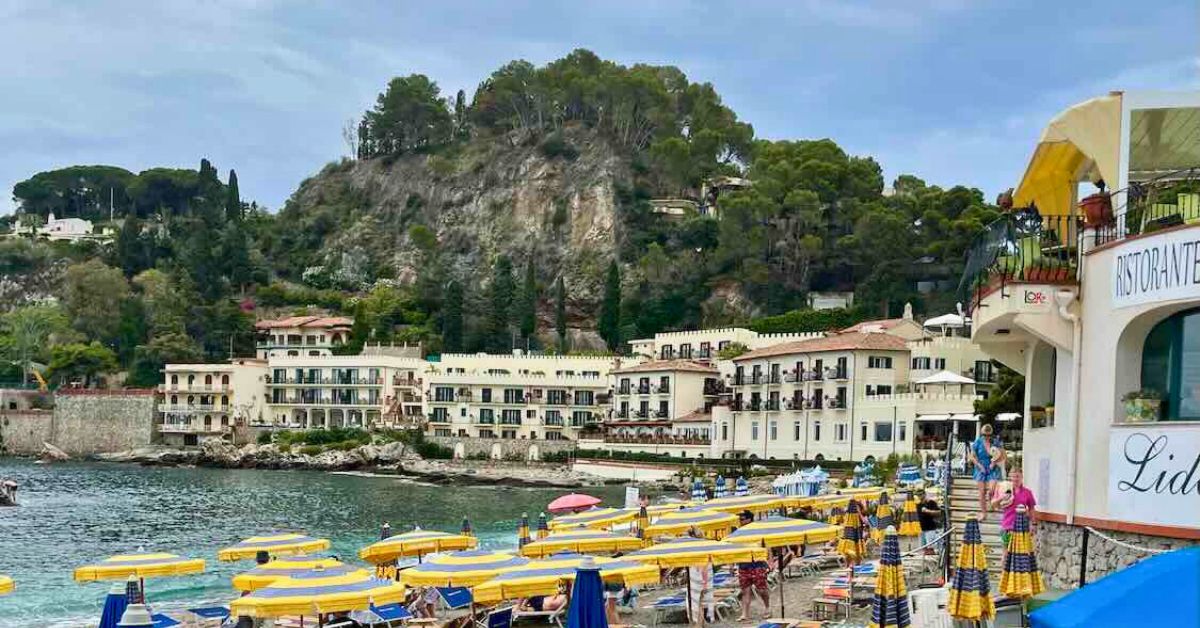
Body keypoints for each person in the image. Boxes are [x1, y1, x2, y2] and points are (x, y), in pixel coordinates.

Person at [735, 511, 770, 621]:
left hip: (758, 564)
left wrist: (769, 561)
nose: (740, 521)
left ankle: (767, 607)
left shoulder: (758, 531)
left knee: (761, 590)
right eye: (739, 519)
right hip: (743, 565)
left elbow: (767, 546)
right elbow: (734, 548)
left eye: (743, 519)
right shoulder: (738, 533)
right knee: (745, 590)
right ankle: (745, 613)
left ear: (749, 519)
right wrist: (732, 564)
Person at [992, 467, 1037, 548]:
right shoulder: (1004, 489)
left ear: (1022, 477)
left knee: (1022, 553)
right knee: (1006, 555)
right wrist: (1002, 497)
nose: (1016, 479)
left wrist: (1033, 524)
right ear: (1010, 477)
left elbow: (1031, 508)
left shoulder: (1027, 492)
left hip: (1022, 528)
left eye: (1018, 476)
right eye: (1013, 476)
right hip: (1007, 527)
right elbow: (994, 505)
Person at [967, 423, 1005, 517]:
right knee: (982, 491)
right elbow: (972, 456)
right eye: (984, 435)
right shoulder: (978, 442)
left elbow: (1002, 454)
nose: (986, 437)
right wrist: (979, 466)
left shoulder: (995, 442)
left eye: (988, 435)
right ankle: (983, 513)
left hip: (992, 466)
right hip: (981, 467)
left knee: (991, 489)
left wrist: (994, 463)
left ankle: (992, 501)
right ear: (982, 434)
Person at [916, 489, 941, 554]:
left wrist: (927, 511)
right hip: (921, 528)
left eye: (921, 494)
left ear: (924, 494)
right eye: (918, 495)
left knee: (930, 548)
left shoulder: (931, 503)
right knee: (923, 548)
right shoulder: (918, 505)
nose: (919, 496)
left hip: (930, 528)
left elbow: (939, 513)